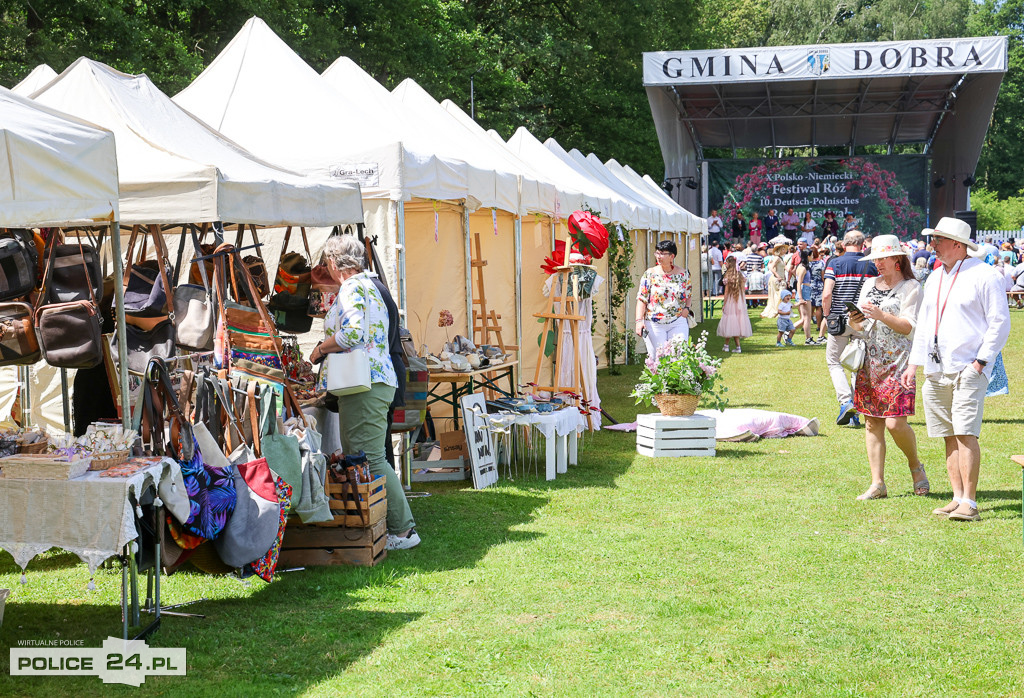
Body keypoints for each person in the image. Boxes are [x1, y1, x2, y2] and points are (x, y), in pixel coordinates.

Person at [310, 235, 420, 550]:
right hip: (375, 381)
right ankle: (388, 525)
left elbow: (353, 334)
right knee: (367, 456)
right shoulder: (371, 286)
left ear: (333, 263)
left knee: (370, 458)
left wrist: (320, 349)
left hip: (364, 383)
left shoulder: (352, 287)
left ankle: (404, 530)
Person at [902, 217, 1011, 522]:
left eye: (937, 239)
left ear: (957, 244)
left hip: (968, 367)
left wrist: (980, 362)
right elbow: (925, 323)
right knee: (947, 434)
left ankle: (971, 503)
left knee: (965, 433)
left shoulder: (986, 275)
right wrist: (915, 362)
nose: (932, 245)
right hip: (936, 368)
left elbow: (1000, 323)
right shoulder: (935, 276)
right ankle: (956, 497)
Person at [846, 235, 926, 500]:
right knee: (872, 423)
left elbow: (908, 327)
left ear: (897, 259)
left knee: (895, 423)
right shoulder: (869, 283)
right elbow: (858, 326)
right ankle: (877, 483)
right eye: (875, 259)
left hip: (900, 362)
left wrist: (882, 315)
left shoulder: (911, 286)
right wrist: (855, 319)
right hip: (871, 361)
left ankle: (915, 466)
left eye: (882, 258)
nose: (877, 263)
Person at [822, 230, 878, 427]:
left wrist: (826, 315)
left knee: (834, 362)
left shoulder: (834, 263)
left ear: (844, 244)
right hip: (863, 320)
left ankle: (846, 401)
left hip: (839, 319)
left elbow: (827, 293)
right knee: (857, 365)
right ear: (863, 245)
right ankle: (854, 409)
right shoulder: (871, 264)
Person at [635, 239, 693, 356]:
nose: (659, 256)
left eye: (662, 253)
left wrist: (687, 308)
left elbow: (688, 294)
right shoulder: (650, 274)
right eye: (657, 253)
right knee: (659, 357)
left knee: (679, 355)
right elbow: (642, 299)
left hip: (677, 320)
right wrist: (639, 321)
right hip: (654, 322)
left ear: (672, 256)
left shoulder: (683, 274)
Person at [717, 256, 752, 352]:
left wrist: (724, 304)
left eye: (726, 263)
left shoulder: (727, 276)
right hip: (739, 301)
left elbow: (726, 292)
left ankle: (727, 346)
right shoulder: (740, 276)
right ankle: (736, 347)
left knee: (730, 322)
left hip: (731, 301)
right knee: (736, 322)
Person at [760, 244, 787, 319]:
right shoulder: (777, 258)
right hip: (777, 278)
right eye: (783, 249)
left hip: (781, 278)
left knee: (780, 295)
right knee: (778, 295)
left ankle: (780, 310)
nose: (784, 250)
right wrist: (777, 275)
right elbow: (771, 267)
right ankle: (777, 310)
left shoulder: (781, 258)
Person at [794, 249, 815, 344]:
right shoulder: (802, 268)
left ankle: (788, 332)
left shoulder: (802, 267)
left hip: (806, 291)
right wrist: (801, 297)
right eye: (811, 255)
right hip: (804, 291)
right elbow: (799, 283)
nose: (813, 257)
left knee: (805, 318)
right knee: (806, 317)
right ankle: (808, 338)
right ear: (807, 256)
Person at [808, 246, 828, 343]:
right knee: (819, 307)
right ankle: (819, 326)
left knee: (810, 307)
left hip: (810, 285)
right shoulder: (821, 263)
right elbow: (823, 276)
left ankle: (806, 324)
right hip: (819, 285)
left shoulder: (807, 264)